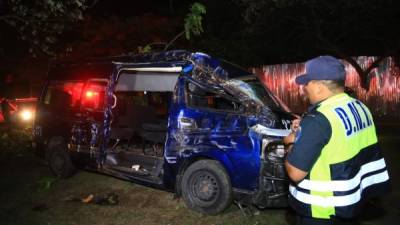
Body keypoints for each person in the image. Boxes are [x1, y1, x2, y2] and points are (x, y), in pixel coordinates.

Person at [283, 56, 390, 225]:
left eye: (307, 83)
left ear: (318, 87)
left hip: (321, 211)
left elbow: (295, 173)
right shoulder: (360, 107)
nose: (304, 88)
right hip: (350, 204)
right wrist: (305, 131)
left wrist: (290, 142)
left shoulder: (318, 119)